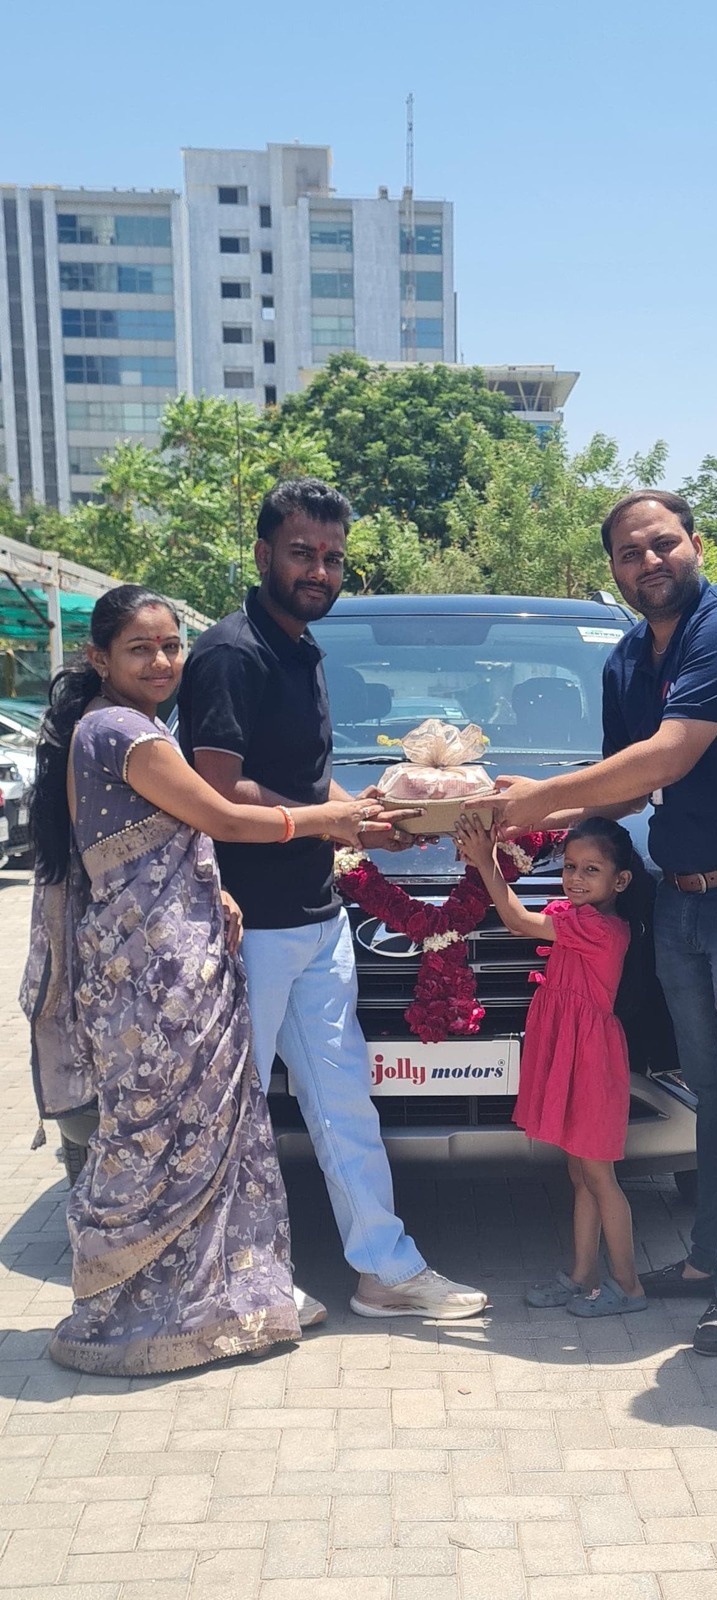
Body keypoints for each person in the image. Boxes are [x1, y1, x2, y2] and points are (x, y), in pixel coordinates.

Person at [21, 585, 404, 1375]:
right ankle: (162, 1312)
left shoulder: (112, 725)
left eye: (171, 646)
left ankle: (216, 1299)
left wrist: (213, 887)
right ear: (99, 658)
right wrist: (325, 821)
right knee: (172, 1135)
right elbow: (221, 817)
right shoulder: (125, 731)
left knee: (195, 1133)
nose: (162, 662)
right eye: (140, 649)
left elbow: (154, 839)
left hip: (159, 956)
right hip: (156, 973)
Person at [177, 478, 487, 1321]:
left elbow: (307, 783)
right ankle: (227, 1284)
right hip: (247, 927)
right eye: (302, 553)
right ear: (263, 554)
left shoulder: (302, 647)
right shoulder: (232, 653)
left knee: (344, 1102)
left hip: (317, 918)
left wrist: (375, 820)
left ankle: (385, 1270)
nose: (319, 570)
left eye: (333, 557)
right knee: (231, 1109)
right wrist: (334, 822)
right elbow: (218, 790)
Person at [493, 490, 717, 1354]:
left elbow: (667, 755)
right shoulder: (626, 657)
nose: (649, 562)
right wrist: (512, 820)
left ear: (697, 543)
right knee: (710, 1088)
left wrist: (534, 799)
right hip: (679, 902)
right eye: (630, 552)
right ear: (614, 569)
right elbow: (623, 794)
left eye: (663, 544)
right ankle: (706, 1261)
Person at [455, 813, 648, 1316]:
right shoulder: (577, 917)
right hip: (572, 1052)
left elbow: (519, 920)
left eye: (591, 870)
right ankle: (583, 1275)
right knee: (581, 1174)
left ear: (620, 881)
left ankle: (628, 1287)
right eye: (570, 867)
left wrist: (486, 862)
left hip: (592, 1061)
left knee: (600, 1176)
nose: (575, 878)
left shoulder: (601, 929)